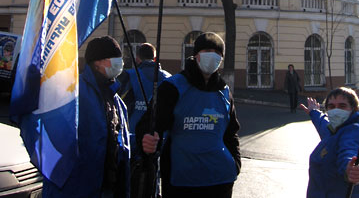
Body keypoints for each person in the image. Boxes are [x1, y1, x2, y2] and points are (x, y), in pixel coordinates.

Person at [138, 32, 241, 198]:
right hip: (182, 182)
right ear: (196, 55)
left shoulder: (224, 91)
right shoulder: (173, 87)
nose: (213, 56)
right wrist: (147, 139)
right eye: (207, 51)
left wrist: (235, 164)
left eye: (218, 54)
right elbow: (150, 124)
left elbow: (231, 134)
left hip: (220, 180)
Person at [43, 36, 130, 198]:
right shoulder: (73, 92)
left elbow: (118, 140)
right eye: (113, 58)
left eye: (120, 58)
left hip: (106, 187)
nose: (120, 63)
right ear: (97, 63)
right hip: (75, 188)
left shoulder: (115, 98)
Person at [300, 87, 359, 198]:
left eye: (342, 106)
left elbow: (350, 150)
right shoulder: (336, 129)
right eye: (331, 107)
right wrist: (314, 112)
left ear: (354, 109)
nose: (336, 111)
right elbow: (323, 125)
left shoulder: (355, 130)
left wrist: (350, 168)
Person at [118, 42, 171, 197]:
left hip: (132, 143)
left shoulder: (129, 76)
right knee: (153, 182)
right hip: (159, 141)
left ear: (137, 58)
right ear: (154, 58)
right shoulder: (169, 79)